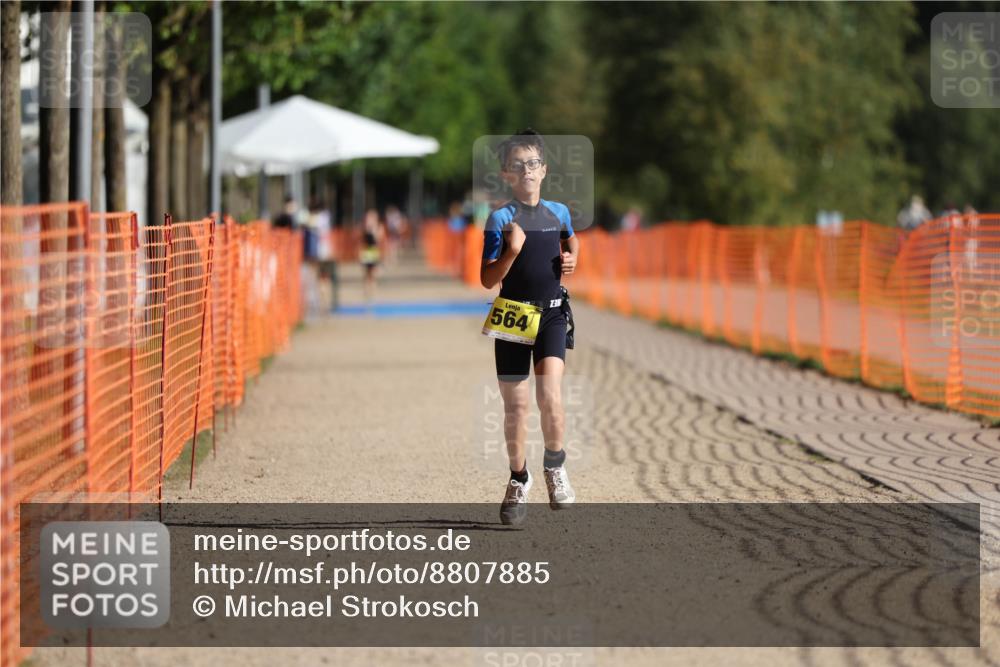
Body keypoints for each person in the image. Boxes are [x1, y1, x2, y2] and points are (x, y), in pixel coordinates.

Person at [480, 129, 580, 525]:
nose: (527, 170)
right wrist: (512, 251)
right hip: (514, 314)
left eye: (533, 163)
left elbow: (572, 242)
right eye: (518, 165)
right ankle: (518, 479)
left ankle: (555, 466)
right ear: (506, 174)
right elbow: (487, 279)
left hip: (552, 313)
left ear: (544, 170)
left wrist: (573, 258)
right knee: (516, 407)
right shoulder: (500, 219)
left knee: (550, 396)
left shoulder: (559, 212)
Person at [360, 209, 384, 302]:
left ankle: (373, 292)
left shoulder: (378, 227)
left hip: (374, 252)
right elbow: (361, 240)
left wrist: (374, 230)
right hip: (366, 252)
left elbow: (379, 239)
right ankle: (366, 292)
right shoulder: (365, 228)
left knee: (373, 274)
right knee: (366, 274)